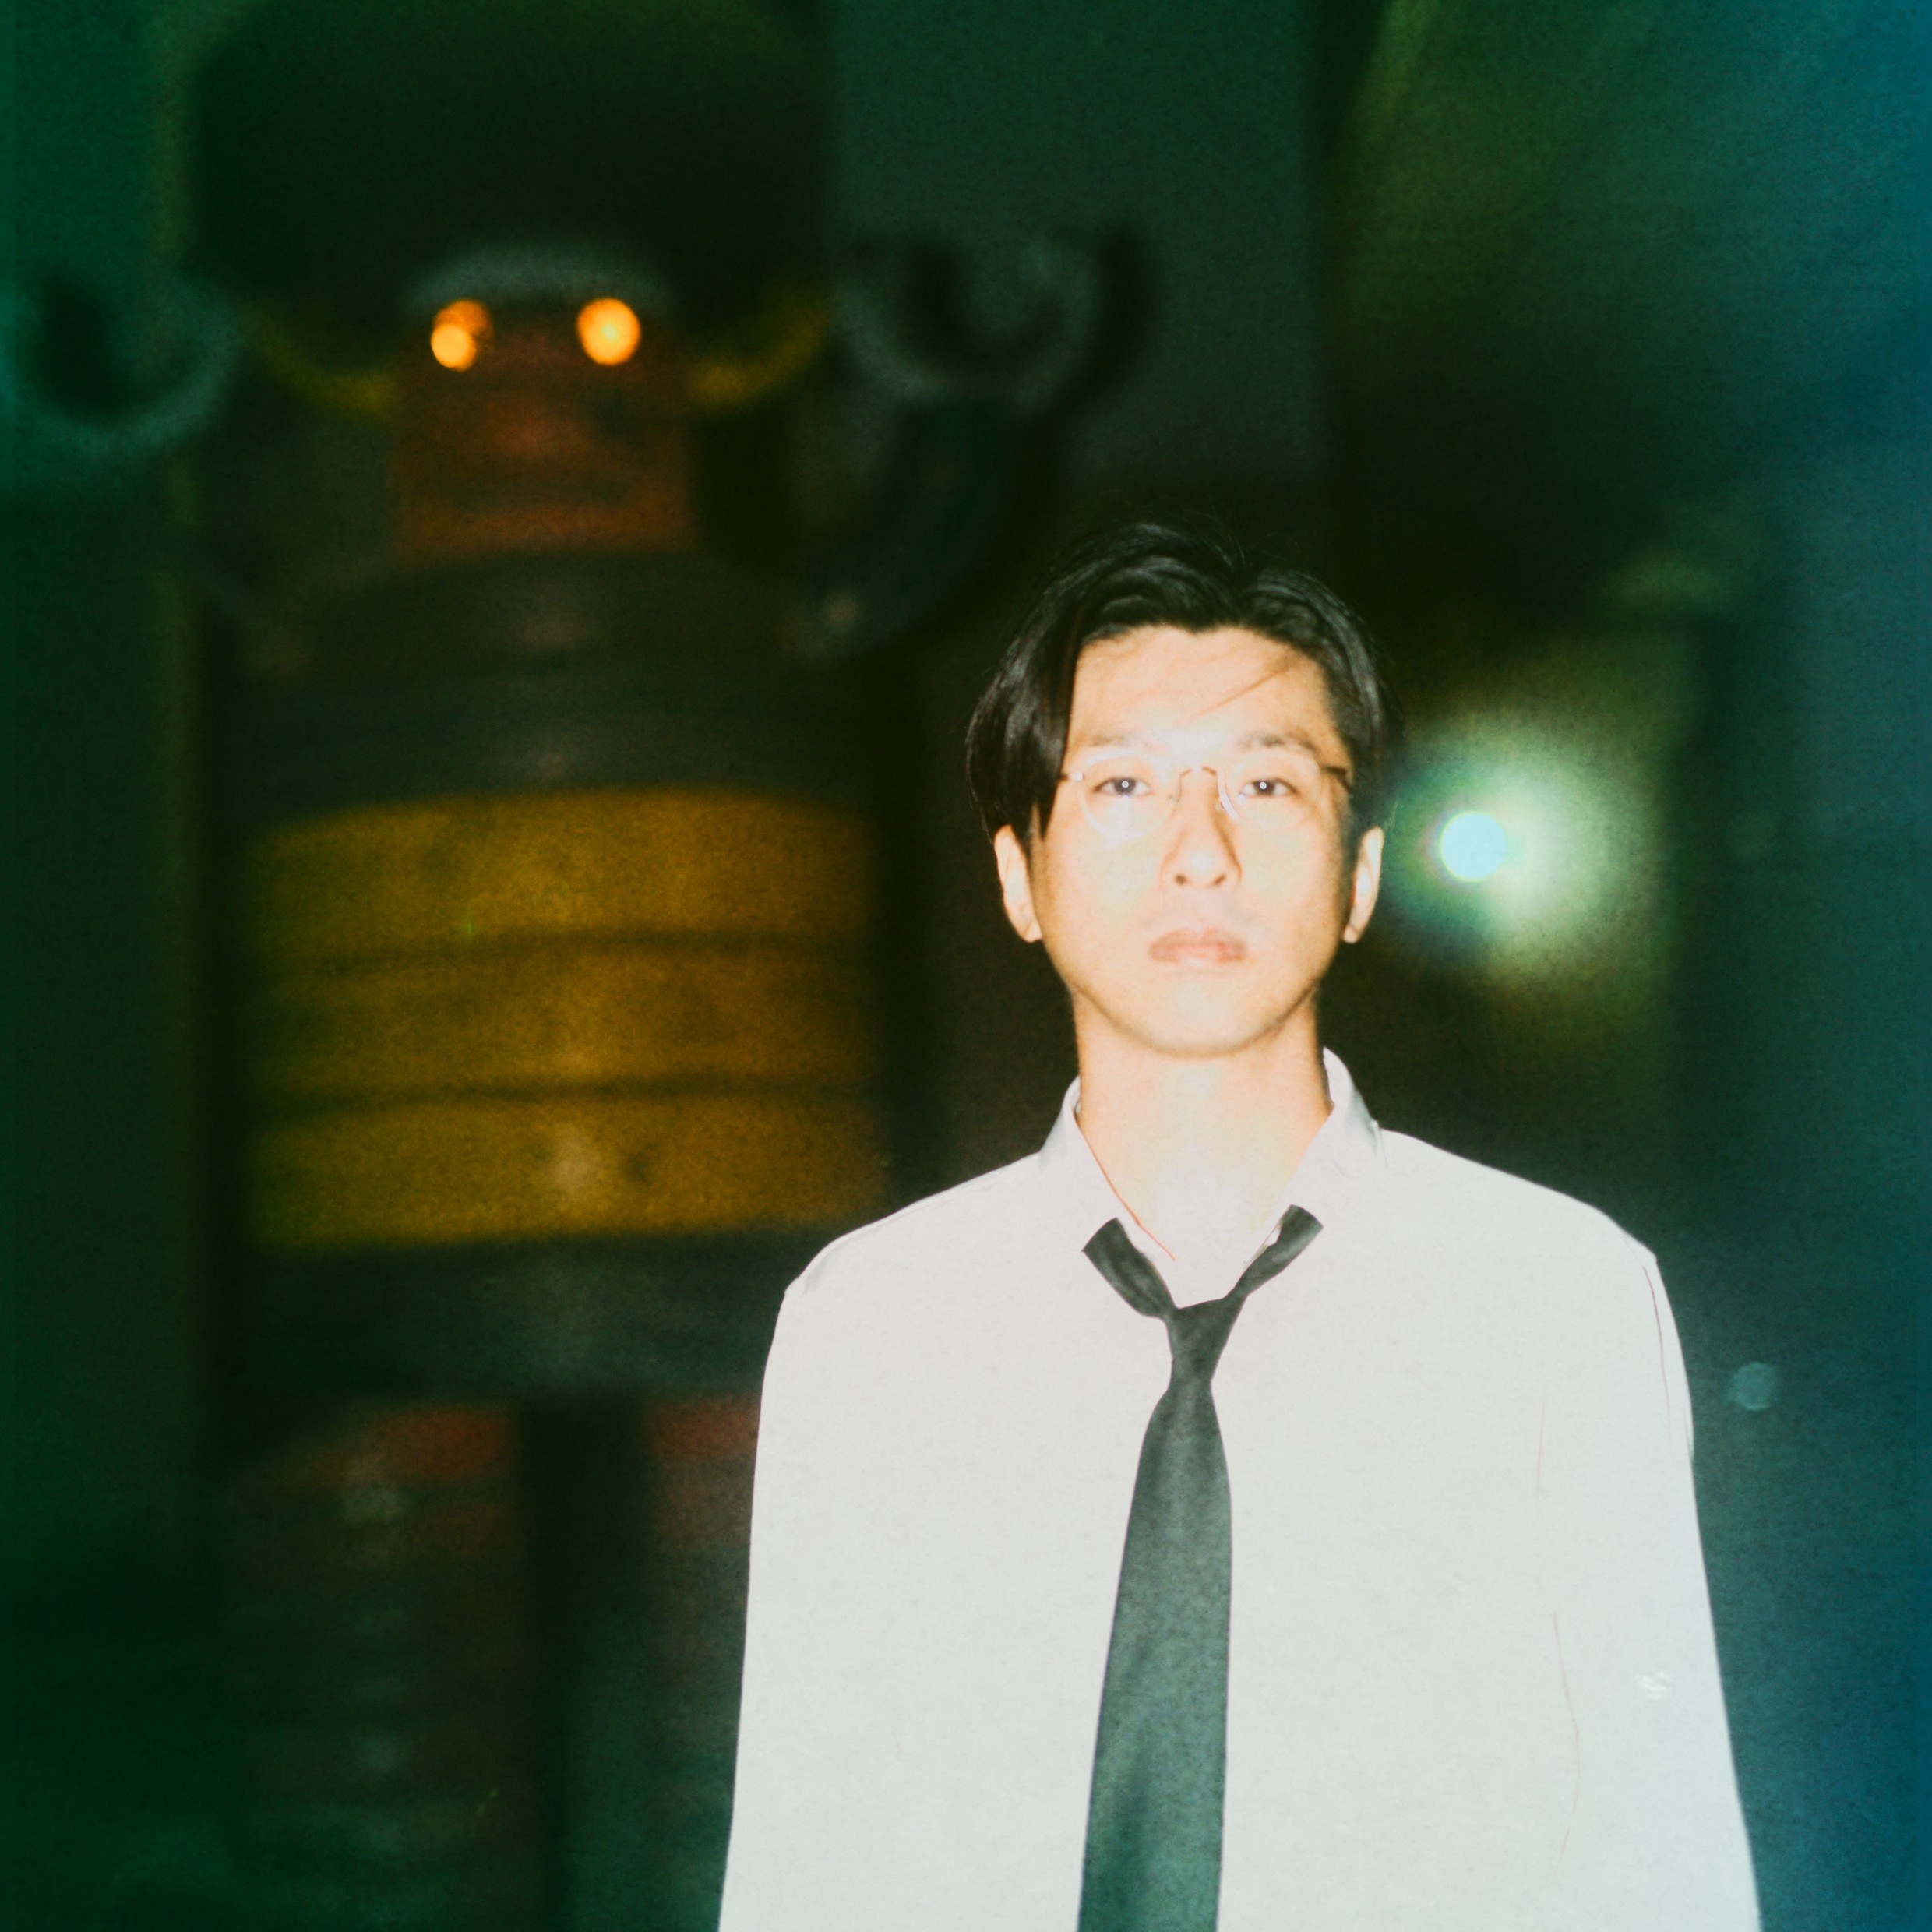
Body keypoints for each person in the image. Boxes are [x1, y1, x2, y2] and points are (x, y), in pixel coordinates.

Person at [719, 521, 1759, 1930]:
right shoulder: (871, 1324)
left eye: (1267, 783)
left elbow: (1663, 1852)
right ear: (1019, 876)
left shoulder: (1556, 1297)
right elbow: (805, 1860)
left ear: (1362, 874)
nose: (1199, 852)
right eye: (1123, 785)